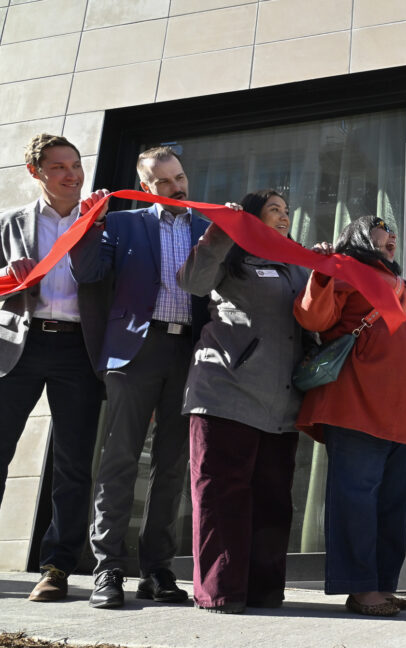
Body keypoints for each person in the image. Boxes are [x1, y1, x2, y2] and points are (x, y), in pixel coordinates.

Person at [70, 146, 211, 609]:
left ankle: (157, 570)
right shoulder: (124, 223)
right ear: (147, 187)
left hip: (187, 353)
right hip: (136, 350)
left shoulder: (206, 227)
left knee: (172, 465)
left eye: (180, 177)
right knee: (120, 460)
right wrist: (90, 223)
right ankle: (107, 568)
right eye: (165, 182)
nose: (178, 187)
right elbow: (88, 271)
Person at [293, 215, 406, 618]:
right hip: (357, 404)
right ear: (359, 235)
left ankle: (381, 586)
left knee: (393, 505)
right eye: (381, 227)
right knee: (356, 501)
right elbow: (313, 318)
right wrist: (322, 274)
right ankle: (360, 589)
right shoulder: (345, 269)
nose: (391, 233)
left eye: (394, 229)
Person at [177, 190, 311, 614]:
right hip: (226, 392)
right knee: (221, 495)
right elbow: (193, 283)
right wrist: (219, 235)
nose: (285, 216)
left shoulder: (297, 263)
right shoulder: (231, 253)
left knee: (273, 499)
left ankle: (264, 591)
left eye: (287, 211)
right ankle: (220, 591)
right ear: (252, 215)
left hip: (282, 403)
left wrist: (323, 270)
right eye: (275, 209)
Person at [0, 134, 105, 602]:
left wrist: (96, 228)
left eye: (76, 165)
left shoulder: (99, 221)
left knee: (73, 463)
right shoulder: (9, 224)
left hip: (78, 351)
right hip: (17, 348)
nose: (72, 175)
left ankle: (57, 567)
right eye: (59, 167)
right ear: (36, 173)